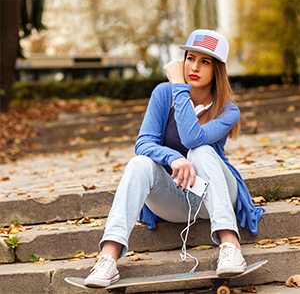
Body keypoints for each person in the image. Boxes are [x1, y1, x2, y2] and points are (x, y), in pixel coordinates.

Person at [84, 29, 265, 288]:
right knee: (139, 163)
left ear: (218, 70)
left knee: (201, 150)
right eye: (190, 58)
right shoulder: (162, 93)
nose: (194, 67)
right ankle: (107, 260)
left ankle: (230, 245)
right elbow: (143, 143)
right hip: (174, 197)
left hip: (214, 194)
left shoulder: (227, 110)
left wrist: (179, 87)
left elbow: (192, 138)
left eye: (205, 62)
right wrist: (172, 158)